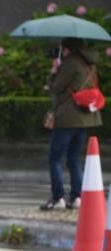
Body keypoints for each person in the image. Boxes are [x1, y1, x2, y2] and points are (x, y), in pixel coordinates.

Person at [43, 38, 104, 210]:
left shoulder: (71, 63)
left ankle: (57, 198)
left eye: (62, 49)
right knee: (73, 157)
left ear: (67, 49)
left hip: (68, 117)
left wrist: (54, 72)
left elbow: (56, 87)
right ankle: (77, 197)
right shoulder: (90, 64)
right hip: (84, 117)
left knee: (55, 157)